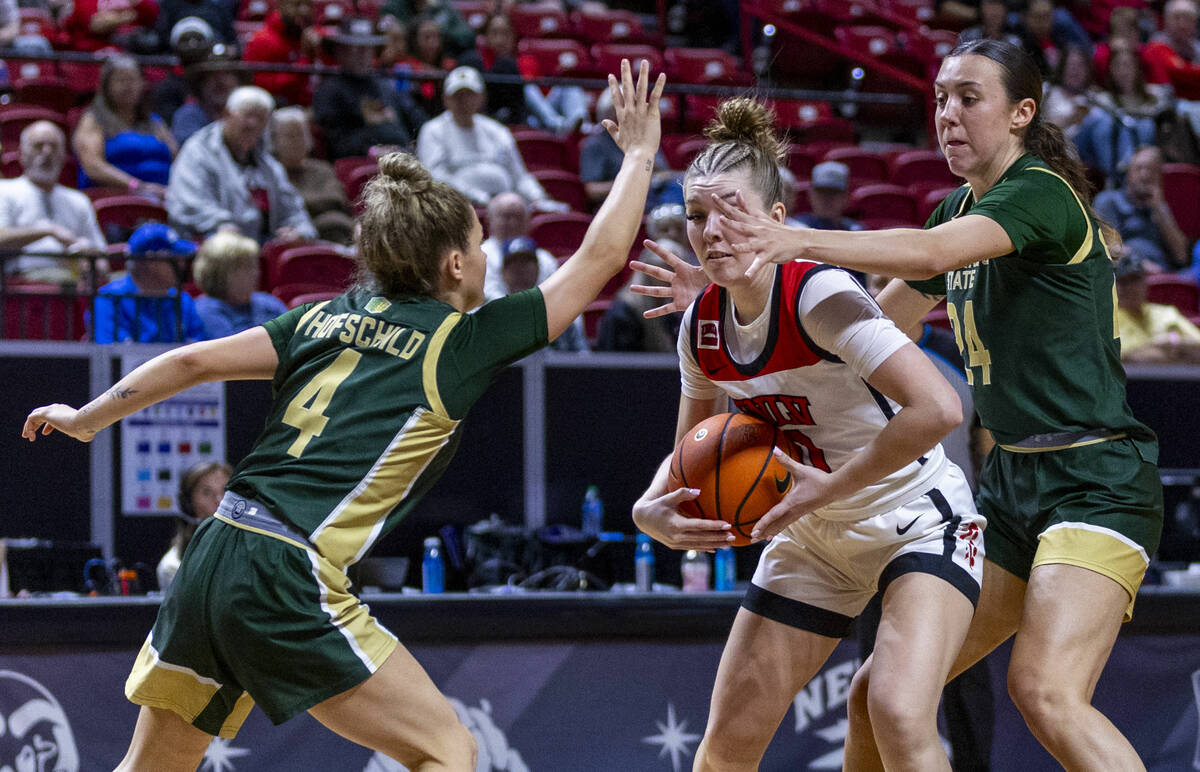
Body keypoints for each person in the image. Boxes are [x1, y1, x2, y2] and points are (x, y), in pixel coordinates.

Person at [21, 60, 664, 766]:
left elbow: (191, 361)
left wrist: (87, 417)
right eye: (478, 246)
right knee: (447, 752)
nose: (484, 259)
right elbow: (599, 258)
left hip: (214, 548)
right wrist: (638, 154)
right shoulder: (459, 342)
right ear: (453, 264)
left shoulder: (322, 315)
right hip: (287, 570)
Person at [687, 40, 1162, 770]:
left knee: (1044, 691)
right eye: (940, 98)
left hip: (1094, 480)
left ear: (1021, 113)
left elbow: (932, 255)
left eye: (969, 98)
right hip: (1009, 489)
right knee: (879, 695)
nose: (946, 114)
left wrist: (794, 240)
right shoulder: (957, 206)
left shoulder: (1038, 191)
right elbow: (882, 321)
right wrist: (739, 288)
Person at [631, 97, 985, 771]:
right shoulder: (700, 326)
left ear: (776, 221)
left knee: (897, 713)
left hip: (914, 516)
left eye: (731, 211)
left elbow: (938, 409)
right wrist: (651, 506)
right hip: (813, 535)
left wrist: (829, 489)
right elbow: (694, 453)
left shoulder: (818, 294)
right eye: (698, 216)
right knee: (725, 748)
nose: (711, 230)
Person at [167, 86, 317, 243]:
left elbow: (293, 210)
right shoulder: (198, 151)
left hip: (265, 246)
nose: (253, 124)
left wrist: (299, 231)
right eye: (248, 115)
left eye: (261, 118)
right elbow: (189, 204)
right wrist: (223, 225)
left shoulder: (268, 164)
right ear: (226, 114)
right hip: (214, 243)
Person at [416, 66, 565, 210]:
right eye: (458, 96)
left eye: (470, 95)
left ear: (481, 98)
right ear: (446, 99)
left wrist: (537, 197)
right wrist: (477, 196)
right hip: (458, 208)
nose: (464, 101)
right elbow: (435, 177)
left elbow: (519, 175)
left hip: (505, 203)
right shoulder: (433, 130)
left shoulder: (496, 129)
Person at [0, 121, 107, 287]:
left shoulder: (79, 200)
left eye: (54, 146)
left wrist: (92, 262)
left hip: (76, 283)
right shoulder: (5, 190)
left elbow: (102, 257)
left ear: (64, 155)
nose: (47, 152)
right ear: (21, 154)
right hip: (21, 284)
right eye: (38, 145)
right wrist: (49, 231)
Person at [312, 17, 427, 160]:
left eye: (367, 48)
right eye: (356, 49)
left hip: (404, 155)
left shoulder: (384, 84)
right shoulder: (329, 91)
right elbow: (336, 140)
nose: (363, 55)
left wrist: (422, 140)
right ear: (340, 51)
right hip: (364, 162)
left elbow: (414, 116)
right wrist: (371, 151)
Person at [73, 54, 178, 200]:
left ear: (143, 84)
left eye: (132, 80)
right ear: (106, 86)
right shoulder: (93, 120)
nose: (128, 86)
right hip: (117, 200)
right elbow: (92, 165)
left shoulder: (155, 122)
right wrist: (138, 187)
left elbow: (178, 160)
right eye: (120, 80)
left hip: (165, 197)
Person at [90, 222, 207, 344]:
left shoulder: (183, 301)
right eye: (175, 259)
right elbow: (110, 353)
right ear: (151, 261)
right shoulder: (109, 300)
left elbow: (199, 348)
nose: (182, 265)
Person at [1094, 146, 1192, 272]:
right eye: (1139, 168)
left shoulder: (1161, 207)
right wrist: (1142, 265)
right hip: (1126, 274)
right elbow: (1107, 246)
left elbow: (1181, 255)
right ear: (1128, 173)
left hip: (1162, 273)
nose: (1145, 175)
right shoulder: (1108, 201)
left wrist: (1160, 210)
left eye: (1152, 170)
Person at [271, 107, 356, 244]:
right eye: (290, 136)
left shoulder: (323, 168)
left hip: (342, 233)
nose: (297, 142)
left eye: (301, 134)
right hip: (303, 240)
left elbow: (338, 200)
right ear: (274, 141)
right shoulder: (273, 174)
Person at [496, 236, 587, 352]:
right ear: (503, 273)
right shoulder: (491, 320)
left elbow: (584, 361)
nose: (520, 270)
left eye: (526, 263)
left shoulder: (562, 319)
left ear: (538, 270)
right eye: (513, 264)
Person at [192, 231, 289, 337]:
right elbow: (233, 350)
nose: (256, 273)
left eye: (255, 265)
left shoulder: (268, 302)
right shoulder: (205, 310)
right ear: (220, 273)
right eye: (247, 267)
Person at [157, 460, 232, 591]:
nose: (219, 500)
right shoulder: (173, 566)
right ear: (188, 504)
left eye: (225, 491)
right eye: (207, 493)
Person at [1115, 250, 1200, 363]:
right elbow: (1116, 360)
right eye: (1123, 282)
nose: (1130, 288)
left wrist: (1172, 341)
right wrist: (1163, 349)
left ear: (1145, 282)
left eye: (1135, 279)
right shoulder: (1104, 322)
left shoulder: (1167, 313)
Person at [481, 192, 559, 301]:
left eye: (518, 217)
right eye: (506, 217)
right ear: (489, 220)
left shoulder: (545, 259)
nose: (513, 223)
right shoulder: (479, 256)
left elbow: (559, 297)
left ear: (528, 221)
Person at [242, 0, 322, 107]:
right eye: (297, 5)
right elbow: (269, 89)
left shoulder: (314, 36)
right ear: (281, 6)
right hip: (279, 109)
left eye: (308, 5)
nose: (304, 10)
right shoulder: (263, 40)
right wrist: (305, 58)